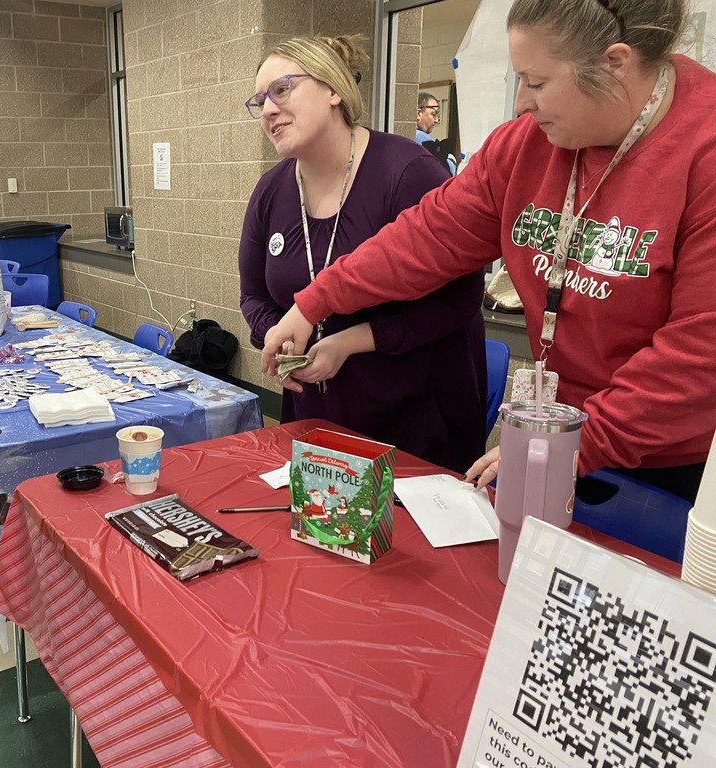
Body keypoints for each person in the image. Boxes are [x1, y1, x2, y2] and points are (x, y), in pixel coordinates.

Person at [262, 0, 714, 503]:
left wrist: (580, 443)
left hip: (671, 460)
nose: (521, 102)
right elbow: (426, 237)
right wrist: (315, 300)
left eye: (536, 82)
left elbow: (701, 349)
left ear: (615, 63)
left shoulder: (702, 149)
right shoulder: (524, 146)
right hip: (556, 429)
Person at [240, 35, 487, 473]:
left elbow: (458, 299)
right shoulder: (271, 192)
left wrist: (349, 343)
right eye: (259, 101)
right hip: (318, 415)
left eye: (281, 90)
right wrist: (279, 341)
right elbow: (254, 297)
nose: (268, 110)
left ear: (334, 89)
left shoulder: (407, 173)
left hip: (414, 418)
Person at [416, 92, 458, 175]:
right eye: (433, 114)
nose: (436, 120)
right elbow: (444, 170)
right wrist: (451, 160)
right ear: (418, 113)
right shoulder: (422, 139)